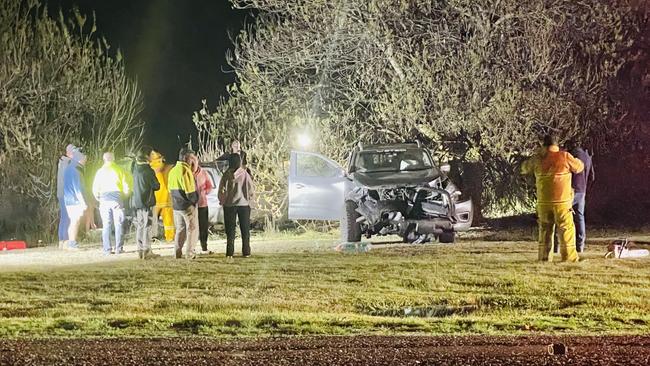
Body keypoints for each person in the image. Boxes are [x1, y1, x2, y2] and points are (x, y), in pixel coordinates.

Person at [521, 134, 584, 262]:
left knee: (545, 230)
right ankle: (569, 258)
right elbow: (579, 167)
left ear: (543, 145)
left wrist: (537, 154)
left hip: (543, 202)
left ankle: (544, 257)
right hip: (562, 202)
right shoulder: (564, 156)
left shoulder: (537, 159)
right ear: (556, 145)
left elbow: (524, 168)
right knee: (566, 229)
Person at [92, 152, 130, 255]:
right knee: (118, 224)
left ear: (104, 160)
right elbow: (126, 187)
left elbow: (95, 188)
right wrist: (125, 195)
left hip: (104, 199)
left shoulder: (99, 172)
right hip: (116, 198)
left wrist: (98, 197)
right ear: (113, 159)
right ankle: (119, 248)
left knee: (106, 225)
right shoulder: (119, 170)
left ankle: (107, 249)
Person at [218, 153, 255, 259]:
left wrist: (222, 200)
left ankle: (230, 253)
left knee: (230, 231)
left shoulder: (226, 175)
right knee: (245, 230)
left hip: (229, 205)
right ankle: (246, 252)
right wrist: (250, 201)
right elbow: (250, 189)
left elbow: (221, 189)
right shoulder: (245, 174)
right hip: (244, 205)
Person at [168, 149, 199, 259]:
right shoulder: (185, 171)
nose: (193, 160)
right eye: (192, 158)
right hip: (186, 206)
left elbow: (169, 190)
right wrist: (194, 201)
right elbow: (190, 192)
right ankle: (189, 253)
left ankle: (177, 252)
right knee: (191, 229)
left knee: (180, 229)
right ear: (187, 158)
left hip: (176, 206)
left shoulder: (173, 170)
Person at [566, 141, 595, 253]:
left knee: (563, 216)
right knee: (580, 217)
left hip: (571, 190)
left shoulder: (570, 156)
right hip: (582, 190)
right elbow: (592, 177)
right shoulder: (588, 157)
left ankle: (559, 245)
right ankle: (580, 245)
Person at [131, 150, 161, 259]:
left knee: (140, 226)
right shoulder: (148, 170)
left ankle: (139, 250)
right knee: (147, 227)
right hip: (147, 202)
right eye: (151, 154)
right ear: (146, 156)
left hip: (137, 202)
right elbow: (157, 186)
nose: (153, 156)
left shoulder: (135, 169)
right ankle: (146, 251)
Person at [62, 149, 88, 250]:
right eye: (85, 159)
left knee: (74, 221)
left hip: (69, 199)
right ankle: (72, 243)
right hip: (74, 200)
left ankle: (71, 242)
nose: (85, 161)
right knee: (75, 221)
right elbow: (77, 188)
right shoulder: (75, 170)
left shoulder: (69, 168)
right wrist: (83, 202)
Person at [149, 150, 175, 242]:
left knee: (152, 220)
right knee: (168, 220)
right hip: (167, 198)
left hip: (154, 199)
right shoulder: (168, 168)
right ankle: (170, 238)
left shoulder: (149, 168)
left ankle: (153, 238)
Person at [191, 155, 214, 254]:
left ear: (197, 162)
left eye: (194, 162)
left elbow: (209, 186)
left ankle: (204, 247)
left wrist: (204, 192)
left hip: (202, 204)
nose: (192, 165)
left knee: (203, 227)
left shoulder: (203, 173)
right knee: (192, 227)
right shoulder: (187, 173)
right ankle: (192, 248)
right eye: (190, 163)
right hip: (191, 205)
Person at [57, 144, 76, 248]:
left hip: (61, 193)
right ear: (69, 153)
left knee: (64, 217)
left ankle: (62, 240)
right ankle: (65, 240)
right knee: (67, 217)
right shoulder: (67, 163)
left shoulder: (62, 162)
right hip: (66, 193)